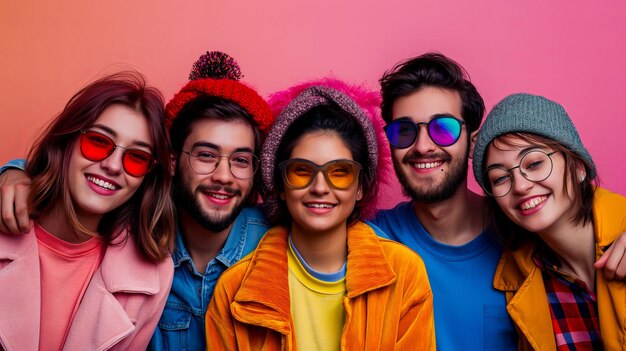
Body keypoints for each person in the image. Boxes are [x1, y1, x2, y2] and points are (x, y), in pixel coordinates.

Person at [0, 51, 274, 351]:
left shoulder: (276, 242)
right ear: (171, 163)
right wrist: (15, 172)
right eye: (206, 155)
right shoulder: (149, 239)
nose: (114, 165)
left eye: (241, 160)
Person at [205, 79, 435, 350]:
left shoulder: (405, 273)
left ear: (360, 186)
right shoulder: (233, 291)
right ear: (280, 186)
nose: (320, 188)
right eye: (302, 171)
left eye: (340, 172)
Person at [0, 71, 175, 350]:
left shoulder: (153, 276)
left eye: (137, 157)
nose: (114, 165)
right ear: (67, 140)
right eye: (98, 141)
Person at [370, 52, 518, 350]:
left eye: (444, 128)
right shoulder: (373, 241)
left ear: (473, 142)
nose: (423, 146)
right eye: (404, 131)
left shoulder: (520, 233)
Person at [472, 93, 626, 350]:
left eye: (534, 163)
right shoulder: (522, 282)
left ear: (578, 166)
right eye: (500, 178)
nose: (520, 186)